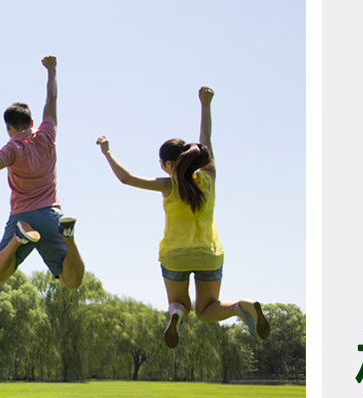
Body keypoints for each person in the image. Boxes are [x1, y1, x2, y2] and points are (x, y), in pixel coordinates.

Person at [94, 86, 270, 348]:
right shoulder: (208, 177)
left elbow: (126, 178)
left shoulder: (168, 185)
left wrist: (107, 152)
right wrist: (205, 104)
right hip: (208, 253)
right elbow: (206, 138)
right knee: (207, 309)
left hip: (175, 255)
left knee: (181, 304)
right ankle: (240, 307)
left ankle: (175, 313)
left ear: (167, 165)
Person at [0, 55, 86, 289]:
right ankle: (70, 238)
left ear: (8, 127)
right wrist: (52, 70)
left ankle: (18, 239)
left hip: (23, 217)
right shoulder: (46, 135)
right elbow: (52, 99)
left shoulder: (13, 147)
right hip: (51, 214)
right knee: (72, 281)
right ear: (32, 122)